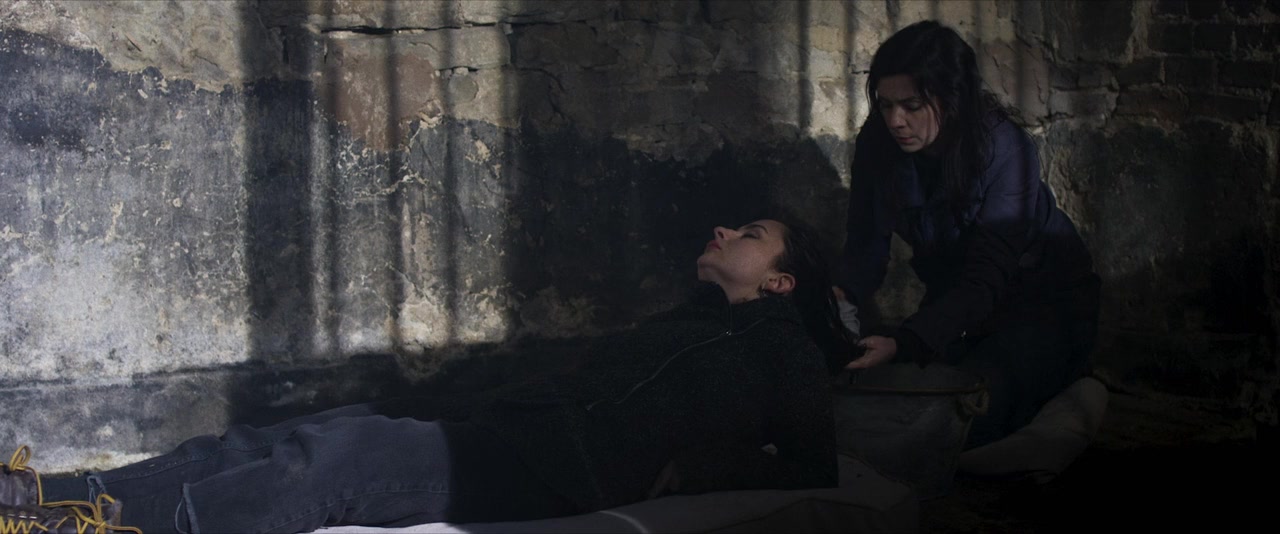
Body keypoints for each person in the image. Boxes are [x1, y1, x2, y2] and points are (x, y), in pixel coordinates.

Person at [6, 218, 851, 534]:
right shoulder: (684, 322)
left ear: (782, 281)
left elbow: (813, 466)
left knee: (334, 465)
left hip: (559, 468)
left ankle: (100, 525)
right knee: (294, 435)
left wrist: (697, 470)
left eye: (749, 234)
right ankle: (55, 494)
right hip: (513, 426)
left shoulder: (786, 354)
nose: (722, 230)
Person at [835, 20, 1101, 450]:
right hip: (956, 302)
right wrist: (840, 297)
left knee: (969, 410)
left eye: (912, 105)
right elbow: (866, 241)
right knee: (901, 397)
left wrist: (906, 341)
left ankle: (1073, 388)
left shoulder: (1004, 148)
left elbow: (986, 277)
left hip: (1043, 304)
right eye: (885, 105)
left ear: (951, 98)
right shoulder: (878, 142)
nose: (896, 120)